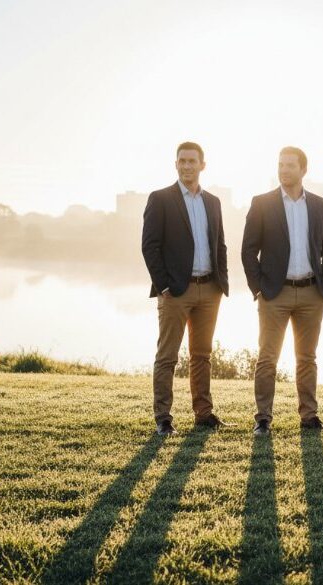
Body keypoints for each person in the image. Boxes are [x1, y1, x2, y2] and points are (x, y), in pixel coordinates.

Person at [241, 146, 323, 435]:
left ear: (303, 170)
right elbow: (248, 250)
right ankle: (263, 419)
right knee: (267, 358)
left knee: (307, 358)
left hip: (311, 293)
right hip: (274, 293)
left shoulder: (320, 205)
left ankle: (309, 417)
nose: (283, 170)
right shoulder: (262, 203)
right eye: (280, 165)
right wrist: (258, 288)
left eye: (290, 165)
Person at [142, 141, 230, 436]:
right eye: (182, 161)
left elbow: (220, 244)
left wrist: (222, 283)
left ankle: (203, 414)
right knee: (167, 356)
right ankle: (163, 418)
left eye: (192, 161)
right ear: (176, 164)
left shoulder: (213, 202)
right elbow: (150, 246)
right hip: (174, 291)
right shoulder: (160, 199)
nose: (187, 166)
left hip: (209, 289)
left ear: (202, 165)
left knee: (202, 356)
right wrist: (163, 285)